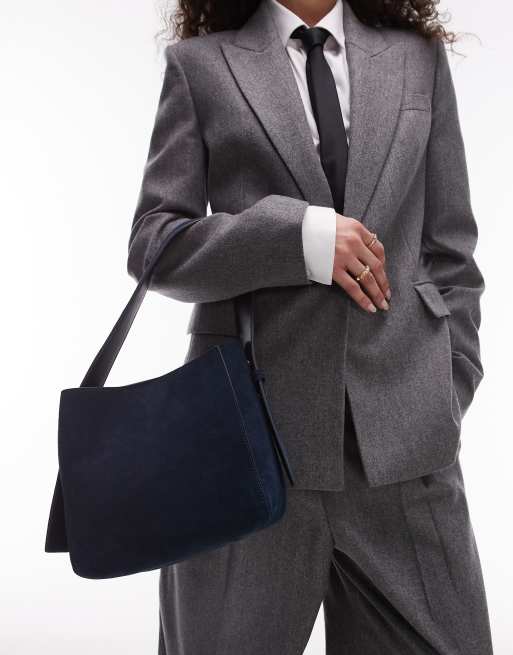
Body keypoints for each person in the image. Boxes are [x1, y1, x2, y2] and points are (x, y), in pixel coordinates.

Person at [127, 0, 494, 652]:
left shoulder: (417, 61)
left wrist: (444, 389)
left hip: (405, 455)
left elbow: (451, 252)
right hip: (245, 452)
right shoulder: (200, 67)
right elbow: (155, 246)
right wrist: (294, 236)